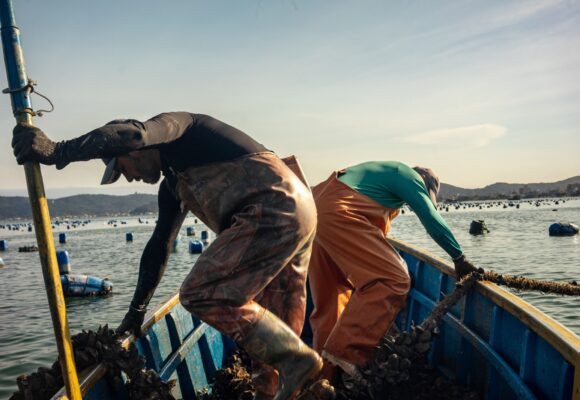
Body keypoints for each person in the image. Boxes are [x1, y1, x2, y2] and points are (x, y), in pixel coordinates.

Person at [12, 113, 322, 400]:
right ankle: (303, 386)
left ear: (133, 150)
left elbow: (133, 134)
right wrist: (137, 310)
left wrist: (57, 151)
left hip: (273, 206)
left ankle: (295, 358)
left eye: (121, 169)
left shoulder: (177, 129)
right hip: (299, 209)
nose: (129, 179)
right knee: (274, 333)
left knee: (201, 293)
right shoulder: (174, 182)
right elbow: (160, 245)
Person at [308, 161, 482, 380]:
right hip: (336, 211)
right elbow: (430, 218)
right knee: (394, 279)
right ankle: (345, 352)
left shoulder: (379, 182)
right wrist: (459, 257)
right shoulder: (408, 176)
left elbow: (373, 232)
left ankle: (323, 378)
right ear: (424, 184)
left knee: (331, 301)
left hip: (312, 212)